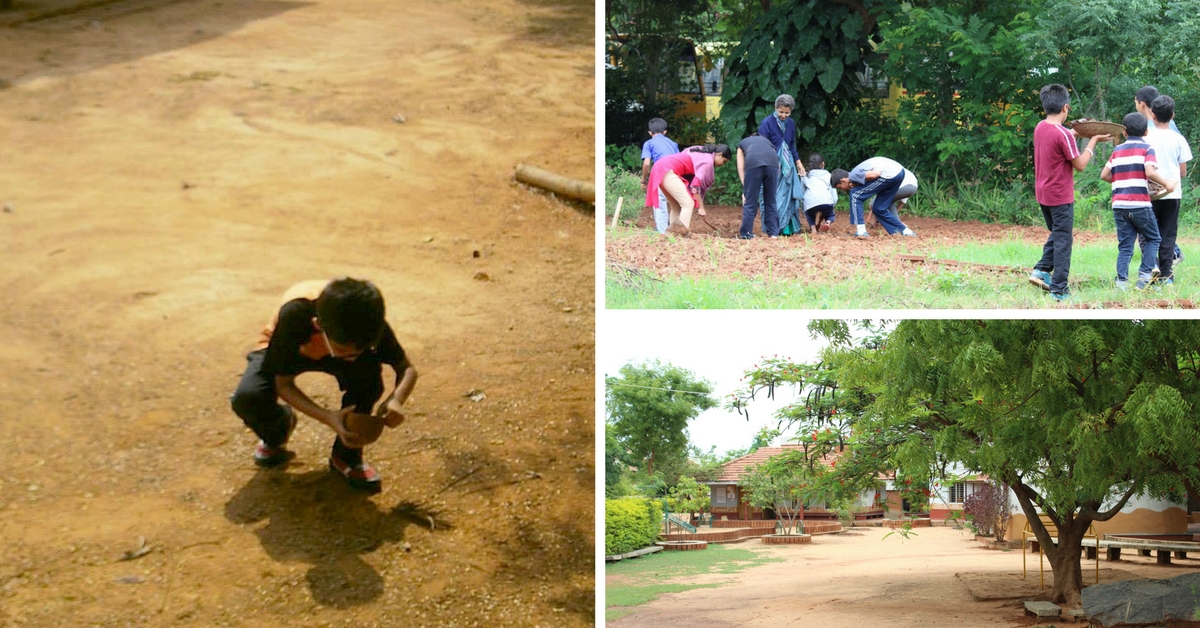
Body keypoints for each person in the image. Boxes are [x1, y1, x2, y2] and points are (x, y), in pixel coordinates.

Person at [231, 278, 418, 492]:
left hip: (332, 338)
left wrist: (396, 400)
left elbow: (407, 368)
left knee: (370, 382)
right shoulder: (295, 316)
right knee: (249, 397)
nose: (352, 357)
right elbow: (283, 384)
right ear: (318, 325)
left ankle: (346, 456)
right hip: (292, 347)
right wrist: (328, 417)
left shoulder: (370, 324)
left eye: (363, 348)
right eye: (345, 349)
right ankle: (277, 430)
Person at [1027, 83, 1111, 301]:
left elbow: (1061, 138)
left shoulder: (1040, 127)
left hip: (1043, 193)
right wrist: (1092, 140)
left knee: (1057, 232)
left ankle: (1041, 269)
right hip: (1059, 196)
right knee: (1064, 240)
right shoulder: (1062, 134)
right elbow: (1081, 164)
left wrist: (1075, 131)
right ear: (1066, 107)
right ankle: (1059, 289)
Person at [1100, 112, 1176, 290]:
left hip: (1119, 205)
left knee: (1125, 245)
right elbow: (1149, 172)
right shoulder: (1147, 148)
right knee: (1153, 238)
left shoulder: (1117, 150)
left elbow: (1104, 175)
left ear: (1124, 133)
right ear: (1146, 132)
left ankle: (1121, 282)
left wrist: (1122, 178)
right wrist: (1167, 183)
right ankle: (1144, 275)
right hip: (1140, 204)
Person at [1144, 94, 1192, 284]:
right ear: (1172, 116)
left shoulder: (1146, 138)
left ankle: (1149, 270)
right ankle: (1166, 275)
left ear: (1152, 116)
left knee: (1149, 233)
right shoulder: (1178, 139)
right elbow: (1182, 172)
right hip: (1172, 192)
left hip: (1149, 193)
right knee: (1168, 233)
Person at [644, 144, 732, 236]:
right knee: (688, 204)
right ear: (719, 155)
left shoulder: (700, 150)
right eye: (724, 161)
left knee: (676, 206)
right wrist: (701, 208)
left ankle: (671, 236)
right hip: (667, 170)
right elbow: (695, 187)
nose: (722, 165)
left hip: (660, 167)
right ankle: (681, 235)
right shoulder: (708, 161)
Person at [830, 156, 917, 237]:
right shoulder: (855, 175)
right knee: (879, 208)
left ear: (843, 180)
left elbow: (875, 174)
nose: (842, 190)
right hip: (899, 173)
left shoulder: (852, 175)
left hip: (889, 174)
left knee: (855, 195)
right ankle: (906, 231)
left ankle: (861, 232)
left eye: (840, 187)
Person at [757, 94, 807, 235]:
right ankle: (774, 228)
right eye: (781, 112)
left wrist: (798, 163)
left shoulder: (791, 123)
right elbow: (762, 145)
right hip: (772, 164)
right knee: (773, 196)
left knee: (788, 197)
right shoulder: (767, 123)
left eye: (787, 113)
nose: (784, 115)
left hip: (788, 164)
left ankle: (788, 228)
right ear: (775, 108)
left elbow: (792, 145)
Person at [736, 134, 780, 239]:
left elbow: (740, 166)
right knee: (771, 200)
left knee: (750, 201)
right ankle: (773, 233)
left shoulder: (742, 143)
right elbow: (777, 162)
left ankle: (746, 233)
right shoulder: (767, 141)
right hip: (772, 165)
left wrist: (746, 188)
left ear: (750, 137)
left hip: (753, 165)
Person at [640, 118, 680, 233]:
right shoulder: (673, 144)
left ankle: (662, 232)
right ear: (665, 132)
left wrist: (643, 180)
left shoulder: (649, 143)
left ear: (649, 132)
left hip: (660, 174)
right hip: (675, 174)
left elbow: (647, 163)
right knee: (675, 204)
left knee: (659, 202)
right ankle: (676, 230)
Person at [802, 153, 837, 234]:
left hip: (810, 201)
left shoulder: (805, 176)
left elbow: (802, 192)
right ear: (822, 164)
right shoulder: (828, 175)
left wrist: (804, 205)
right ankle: (827, 222)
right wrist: (832, 204)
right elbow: (833, 194)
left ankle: (813, 229)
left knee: (810, 214)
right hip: (826, 200)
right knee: (830, 215)